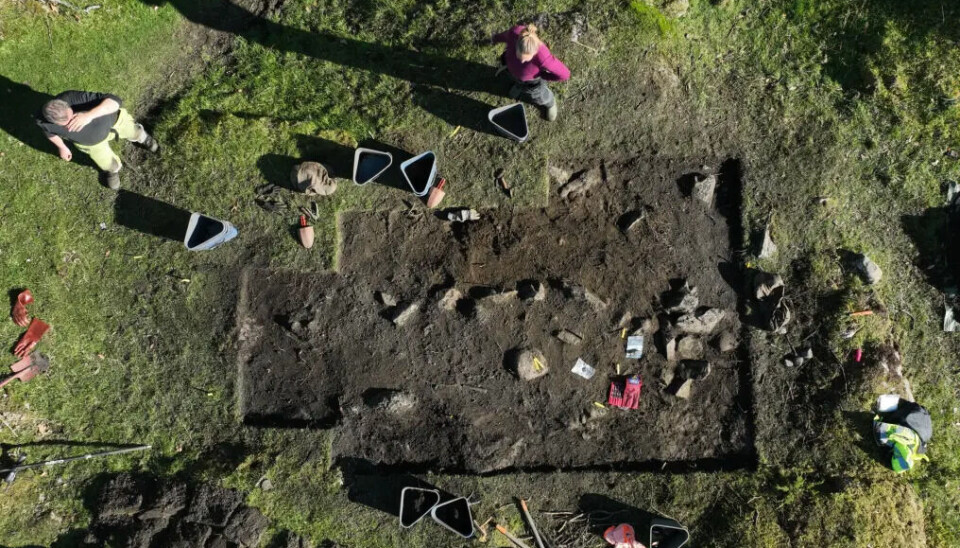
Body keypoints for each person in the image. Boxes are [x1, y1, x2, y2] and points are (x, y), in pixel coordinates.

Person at [36, 91, 159, 189]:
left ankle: (143, 138)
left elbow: (115, 101)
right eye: (66, 123)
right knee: (105, 161)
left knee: (133, 131)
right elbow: (49, 133)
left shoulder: (71, 97)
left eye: (71, 115)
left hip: (114, 122)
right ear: (54, 123)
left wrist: (88, 115)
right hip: (92, 144)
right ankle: (112, 169)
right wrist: (62, 147)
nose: (73, 122)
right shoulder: (43, 122)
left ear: (67, 106)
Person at [491, 23, 570, 121]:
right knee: (515, 79)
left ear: (535, 52)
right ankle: (519, 86)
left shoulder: (544, 58)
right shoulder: (514, 33)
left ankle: (549, 103)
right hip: (512, 71)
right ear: (517, 43)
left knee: (538, 96)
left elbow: (565, 74)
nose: (522, 61)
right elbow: (505, 36)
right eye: (520, 56)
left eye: (526, 59)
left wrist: (543, 75)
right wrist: (495, 38)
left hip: (532, 81)